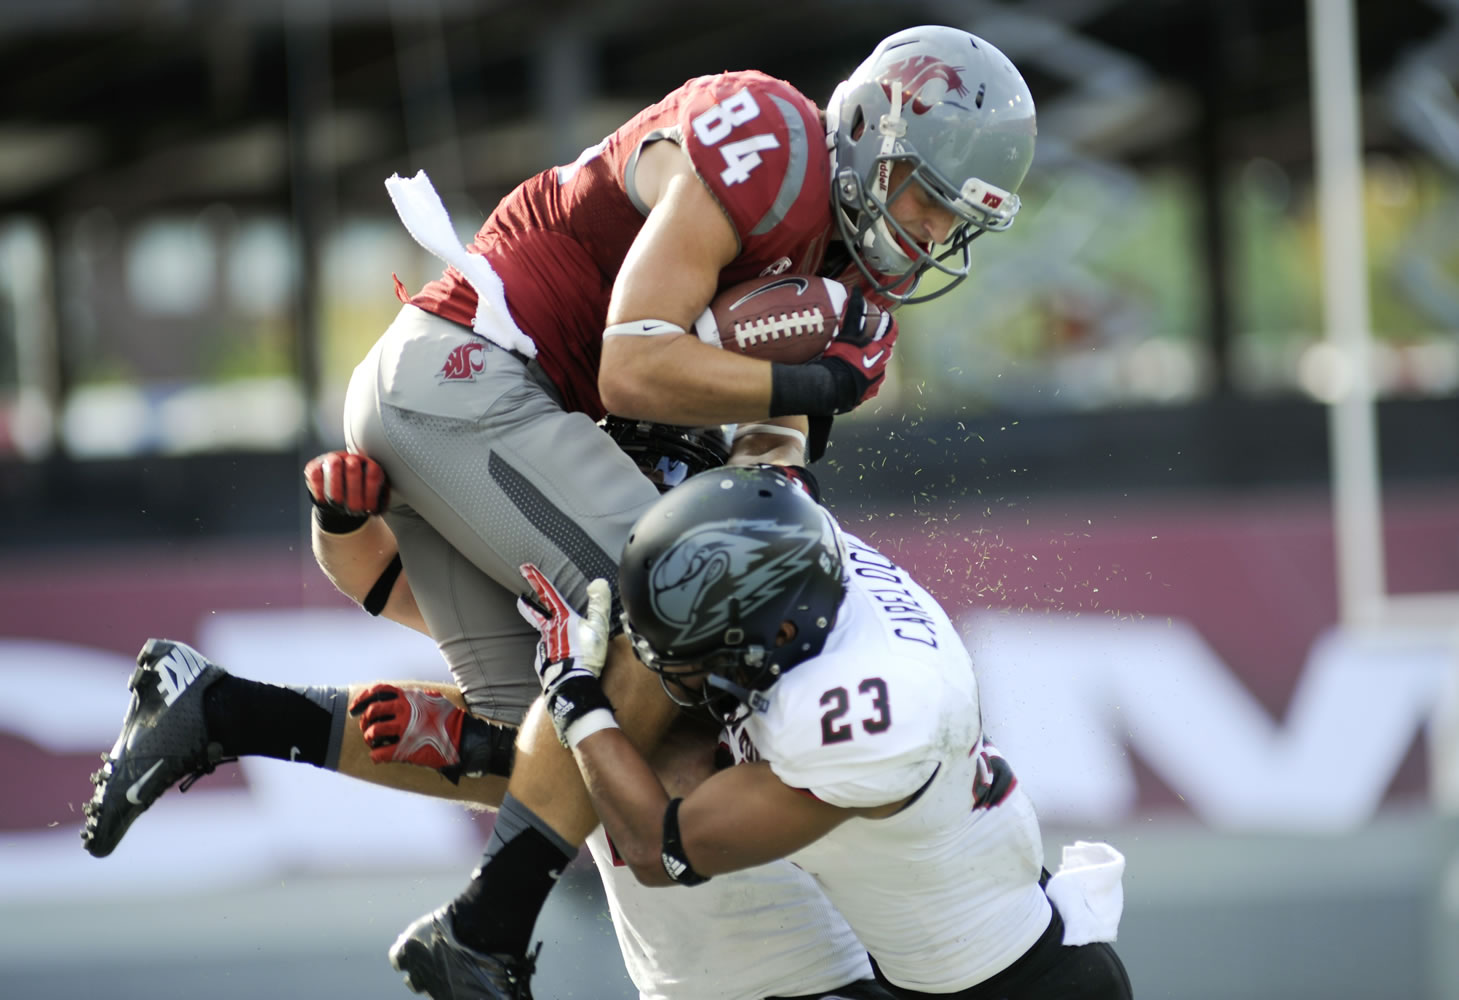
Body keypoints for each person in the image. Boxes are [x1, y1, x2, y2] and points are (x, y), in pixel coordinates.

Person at [86, 22, 1038, 998]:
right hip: (469, 380)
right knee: (689, 626)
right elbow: (633, 362)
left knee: (545, 751)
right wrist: (807, 379)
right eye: (923, 198)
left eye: (949, 222)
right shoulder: (775, 145)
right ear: (874, 131)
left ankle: (219, 709)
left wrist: (788, 449)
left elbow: (770, 432)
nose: (925, 237)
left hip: (477, 406)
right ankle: (483, 931)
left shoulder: (835, 267)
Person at [85, 425, 897, 1000]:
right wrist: (339, 515)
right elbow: (383, 585)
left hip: (801, 970)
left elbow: (657, 786)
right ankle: (227, 711)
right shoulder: (616, 600)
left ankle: (229, 712)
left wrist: (479, 740)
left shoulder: (774, 641)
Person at [518, 465, 1133, 999]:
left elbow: (658, 850)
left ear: (780, 636)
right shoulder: (804, 559)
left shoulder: (863, 715)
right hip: (963, 957)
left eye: (702, 654)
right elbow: (771, 474)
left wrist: (575, 697)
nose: (682, 674)